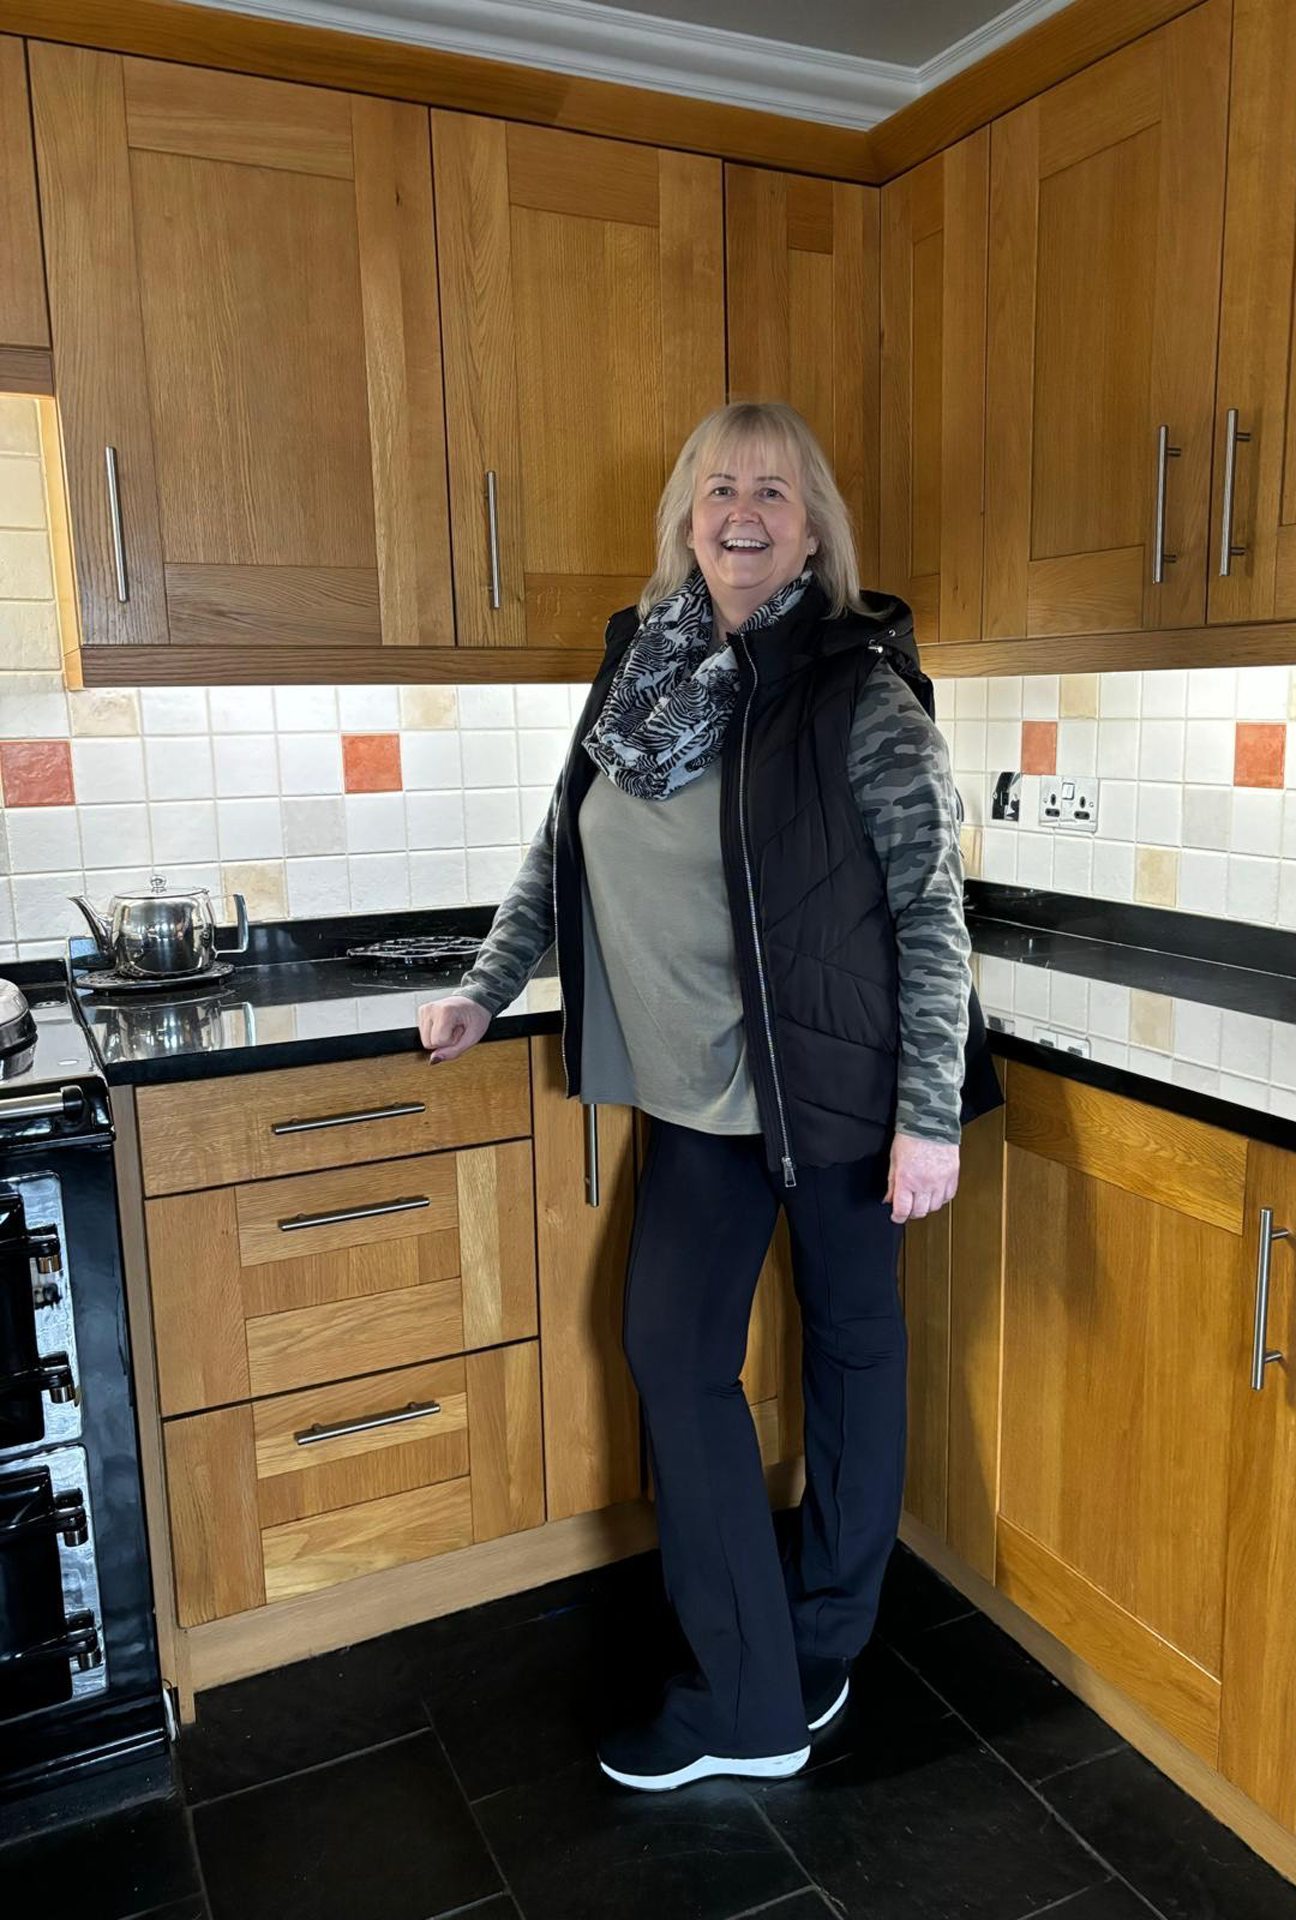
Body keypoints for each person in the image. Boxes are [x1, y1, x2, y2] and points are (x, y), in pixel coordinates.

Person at [418, 400, 999, 1793]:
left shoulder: (857, 683)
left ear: (815, 529)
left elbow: (932, 908)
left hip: (844, 1092)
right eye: (721, 486)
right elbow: (565, 843)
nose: (745, 512)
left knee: (854, 1352)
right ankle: (755, 1681)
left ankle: (807, 1650)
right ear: (687, 513)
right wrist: (485, 988)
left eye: (778, 494)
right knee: (676, 1358)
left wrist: (928, 1114)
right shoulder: (640, 664)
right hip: (701, 1104)